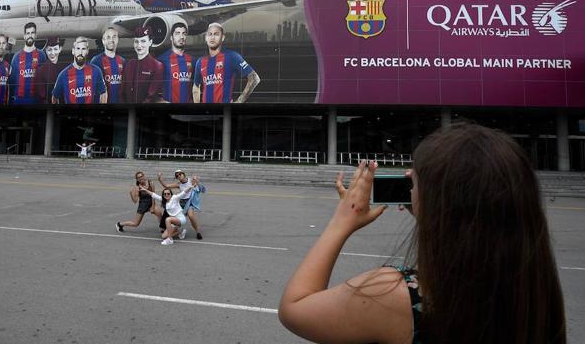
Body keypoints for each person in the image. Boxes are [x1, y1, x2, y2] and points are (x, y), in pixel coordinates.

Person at [278, 123, 566, 344]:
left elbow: (295, 308)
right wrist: (434, 213)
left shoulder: (396, 296)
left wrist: (341, 222)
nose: (407, 181)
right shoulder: (535, 291)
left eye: (414, 182)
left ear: (434, 202)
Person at [192, 22, 260, 103]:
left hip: (224, 112)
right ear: (206, 38)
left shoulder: (232, 56)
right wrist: (198, 109)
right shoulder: (200, 62)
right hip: (207, 113)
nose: (212, 37)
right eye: (210, 34)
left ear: (222, 37)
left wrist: (239, 102)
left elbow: (254, 78)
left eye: (216, 34)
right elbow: (196, 87)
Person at [51, 37, 107, 104]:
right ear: (73, 51)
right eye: (78, 49)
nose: (80, 52)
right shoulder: (63, 74)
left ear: (87, 51)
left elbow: (103, 92)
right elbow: (54, 97)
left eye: (83, 49)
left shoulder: (96, 71)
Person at [139, 180, 196, 245]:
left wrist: (190, 187)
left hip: (180, 219)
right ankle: (180, 232)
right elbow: (154, 195)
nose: (166, 195)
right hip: (173, 222)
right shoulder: (164, 200)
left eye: (168, 193)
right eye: (165, 194)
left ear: (171, 194)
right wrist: (145, 190)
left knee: (167, 219)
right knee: (163, 236)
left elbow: (183, 193)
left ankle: (170, 240)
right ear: (163, 195)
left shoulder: (174, 198)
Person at [121, 26, 164, 103]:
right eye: (136, 41)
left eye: (143, 41)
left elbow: (151, 97)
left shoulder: (157, 66)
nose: (139, 45)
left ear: (150, 42)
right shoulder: (129, 64)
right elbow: (122, 93)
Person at [158, 170, 204, 240]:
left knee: (191, 215)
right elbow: (166, 186)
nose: (179, 176)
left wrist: (196, 180)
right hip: (181, 202)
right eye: (177, 176)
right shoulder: (179, 184)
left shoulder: (191, 180)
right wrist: (160, 179)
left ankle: (198, 232)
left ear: (184, 174)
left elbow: (200, 188)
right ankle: (173, 229)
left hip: (189, 202)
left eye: (180, 174)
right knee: (169, 211)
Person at [8, 22, 47, 104]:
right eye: (28, 33)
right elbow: (12, 80)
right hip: (19, 101)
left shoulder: (42, 55)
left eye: (32, 33)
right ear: (24, 36)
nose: (30, 35)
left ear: (35, 35)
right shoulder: (16, 57)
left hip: (36, 101)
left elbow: (44, 79)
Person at [158, 22, 193, 103]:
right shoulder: (162, 60)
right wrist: (160, 101)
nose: (181, 37)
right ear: (171, 37)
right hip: (168, 110)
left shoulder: (192, 60)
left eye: (184, 34)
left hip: (187, 111)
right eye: (177, 33)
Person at [90, 27, 125, 103]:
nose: (111, 40)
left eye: (114, 37)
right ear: (103, 41)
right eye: (108, 37)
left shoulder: (123, 61)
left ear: (117, 39)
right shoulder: (96, 61)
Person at [35, 37, 65, 103]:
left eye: (55, 49)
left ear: (60, 49)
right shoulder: (40, 70)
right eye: (49, 50)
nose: (52, 53)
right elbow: (41, 96)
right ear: (46, 50)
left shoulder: (65, 68)